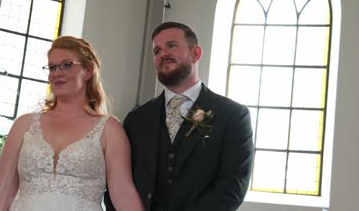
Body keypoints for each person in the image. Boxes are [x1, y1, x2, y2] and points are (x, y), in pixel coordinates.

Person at [104, 22, 254, 211]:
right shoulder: (136, 120)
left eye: (172, 45)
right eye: (157, 51)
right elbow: (117, 182)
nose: (163, 54)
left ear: (196, 53)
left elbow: (232, 186)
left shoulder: (233, 115)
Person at [0, 36, 143, 211]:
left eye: (67, 65)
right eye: (52, 67)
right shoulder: (24, 124)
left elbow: (123, 193)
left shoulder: (109, 129)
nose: (57, 73)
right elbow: (3, 188)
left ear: (88, 71)